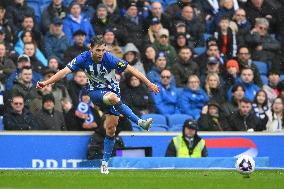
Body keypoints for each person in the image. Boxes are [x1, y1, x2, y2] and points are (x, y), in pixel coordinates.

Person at [36, 35, 160, 174]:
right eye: (98, 50)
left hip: (113, 92)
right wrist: (46, 83)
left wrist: (149, 83)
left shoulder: (110, 58)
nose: (101, 53)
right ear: (91, 49)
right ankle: (140, 122)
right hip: (95, 92)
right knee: (113, 98)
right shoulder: (83, 58)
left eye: (103, 50)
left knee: (111, 129)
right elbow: (64, 72)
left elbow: (131, 69)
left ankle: (105, 163)